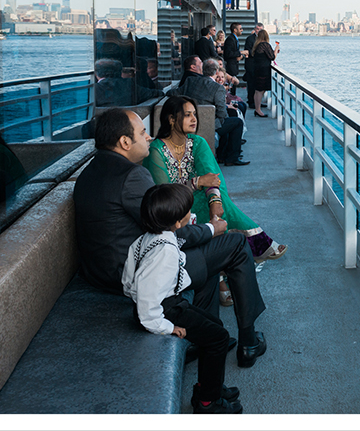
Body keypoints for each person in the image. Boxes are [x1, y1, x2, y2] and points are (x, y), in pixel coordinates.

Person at [72, 109, 267, 367]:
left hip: (101, 272)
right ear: (125, 142)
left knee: (211, 255)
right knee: (236, 245)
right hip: (132, 276)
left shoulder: (91, 172)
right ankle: (249, 341)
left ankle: (204, 335)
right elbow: (170, 229)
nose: (149, 137)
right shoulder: (132, 176)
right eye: (142, 133)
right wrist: (212, 228)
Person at [122, 183, 243, 413]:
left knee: (214, 326)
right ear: (178, 223)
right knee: (219, 338)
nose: (191, 213)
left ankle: (210, 386)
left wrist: (136, 294)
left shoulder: (147, 238)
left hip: (166, 303)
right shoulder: (165, 251)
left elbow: (129, 277)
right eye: (188, 211)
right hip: (163, 310)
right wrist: (166, 327)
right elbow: (148, 306)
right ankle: (208, 401)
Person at [144, 97, 287, 266]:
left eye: (195, 114)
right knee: (202, 205)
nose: (194, 119)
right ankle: (249, 248)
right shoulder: (157, 150)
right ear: (172, 119)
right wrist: (197, 182)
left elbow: (211, 174)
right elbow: (165, 192)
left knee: (217, 201)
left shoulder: (197, 142)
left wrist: (214, 200)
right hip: (169, 210)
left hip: (195, 198)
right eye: (188, 115)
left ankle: (224, 269)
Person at [173, 56, 248, 166]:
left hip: (190, 121)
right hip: (209, 125)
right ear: (217, 71)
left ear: (203, 70)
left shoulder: (190, 81)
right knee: (236, 122)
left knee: (228, 120)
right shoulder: (218, 88)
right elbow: (222, 113)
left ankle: (222, 155)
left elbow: (174, 93)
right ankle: (232, 157)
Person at [249, 31, 280, 118]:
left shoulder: (257, 46)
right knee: (260, 90)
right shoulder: (265, 45)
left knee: (257, 90)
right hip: (263, 70)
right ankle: (258, 110)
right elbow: (272, 57)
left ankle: (257, 109)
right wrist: (276, 49)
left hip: (257, 69)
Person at [222, 23, 246, 96]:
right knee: (231, 85)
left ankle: (232, 97)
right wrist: (240, 53)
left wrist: (240, 56)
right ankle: (231, 99)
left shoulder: (234, 39)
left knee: (233, 86)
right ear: (235, 30)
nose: (242, 30)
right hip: (230, 67)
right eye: (240, 28)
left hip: (234, 65)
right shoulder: (230, 39)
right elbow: (228, 54)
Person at [243, 23, 263, 109]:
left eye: (260, 29)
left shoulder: (262, 39)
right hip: (251, 65)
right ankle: (251, 101)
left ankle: (258, 102)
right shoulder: (250, 38)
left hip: (259, 65)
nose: (258, 30)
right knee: (251, 84)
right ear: (255, 29)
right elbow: (249, 51)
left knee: (258, 85)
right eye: (257, 29)